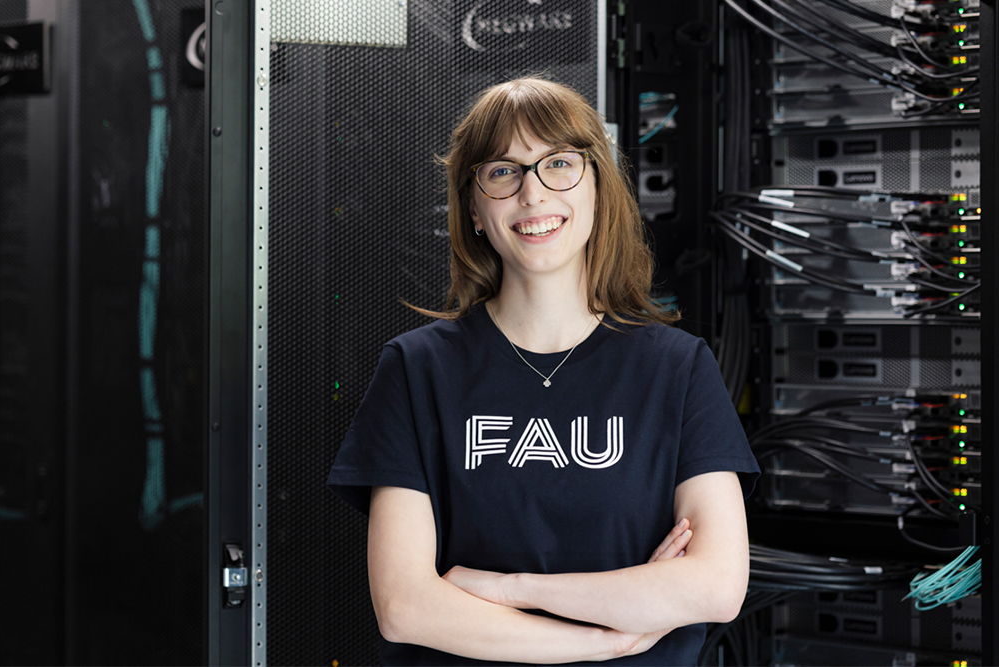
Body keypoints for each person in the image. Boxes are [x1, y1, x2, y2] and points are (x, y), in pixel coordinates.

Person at [326, 76, 760, 665]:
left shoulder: (679, 370)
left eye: (558, 164)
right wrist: (604, 640)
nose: (533, 194)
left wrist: (513, 589)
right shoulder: (416, 368)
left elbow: (716, 586)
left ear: (599, 192)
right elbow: (404, 607)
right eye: (503, 172)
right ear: (475, 209)